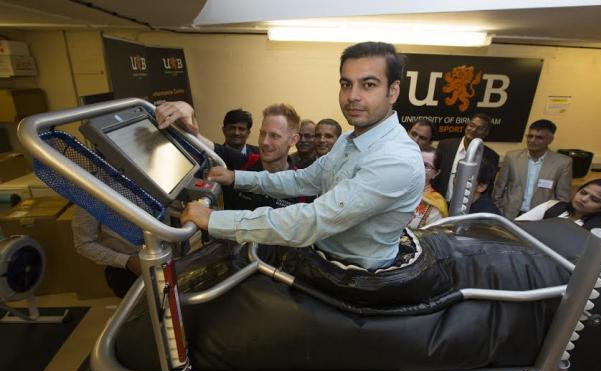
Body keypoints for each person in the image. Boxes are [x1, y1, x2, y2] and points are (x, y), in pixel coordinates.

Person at [176, 41, 424, 270]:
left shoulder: (396, 159)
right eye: (346, 84)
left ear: (393, 91)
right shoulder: (347, 140)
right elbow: (302, 179)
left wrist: (215, 220)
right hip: (322, 256)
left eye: (368, 84)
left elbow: (313, 220)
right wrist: (235, 178)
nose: (352, 96)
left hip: (355, 276)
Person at [157, 101, 311, 211]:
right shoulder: (243, 162)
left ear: (293, 140)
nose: (264, 142)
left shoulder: (302, 186)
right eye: (262, 134)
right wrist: (187, 108)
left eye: (274, 136)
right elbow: (196, 140)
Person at [493, 119, 572, 220]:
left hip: (540, 217)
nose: (532, 140)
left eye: (539, 138)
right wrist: (499, 211)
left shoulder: (563, 162)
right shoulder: (512, 157)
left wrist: (552, 219)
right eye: (530, 136)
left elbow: (563, 198)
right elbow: (499, 188)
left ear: (550, 139)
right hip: (509, 214)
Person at [72, 207, 140, 298]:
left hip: (158, 257)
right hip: (127, 268)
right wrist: (127, 261)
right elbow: (84, 244)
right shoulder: (91, 200)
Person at [431, 113, 500, 200]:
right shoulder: (445, 145)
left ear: (486, 133)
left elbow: (488, 189)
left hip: (470, 206)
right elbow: (435, 176)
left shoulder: (491, 157)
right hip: (440, 202)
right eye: (472, 125)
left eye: (480, 128)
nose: (474, 130)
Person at [515, 179, 601, 230]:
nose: (584, 199)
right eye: (583, 193)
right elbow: (516, 226)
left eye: (594, 199)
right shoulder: (551, 205)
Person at [408, 119, 437, 183]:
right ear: (408, 133)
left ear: (430, 143)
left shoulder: (431, 163)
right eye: (413, 134)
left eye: (422, 138)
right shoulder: (392, 151)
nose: (415, 140)